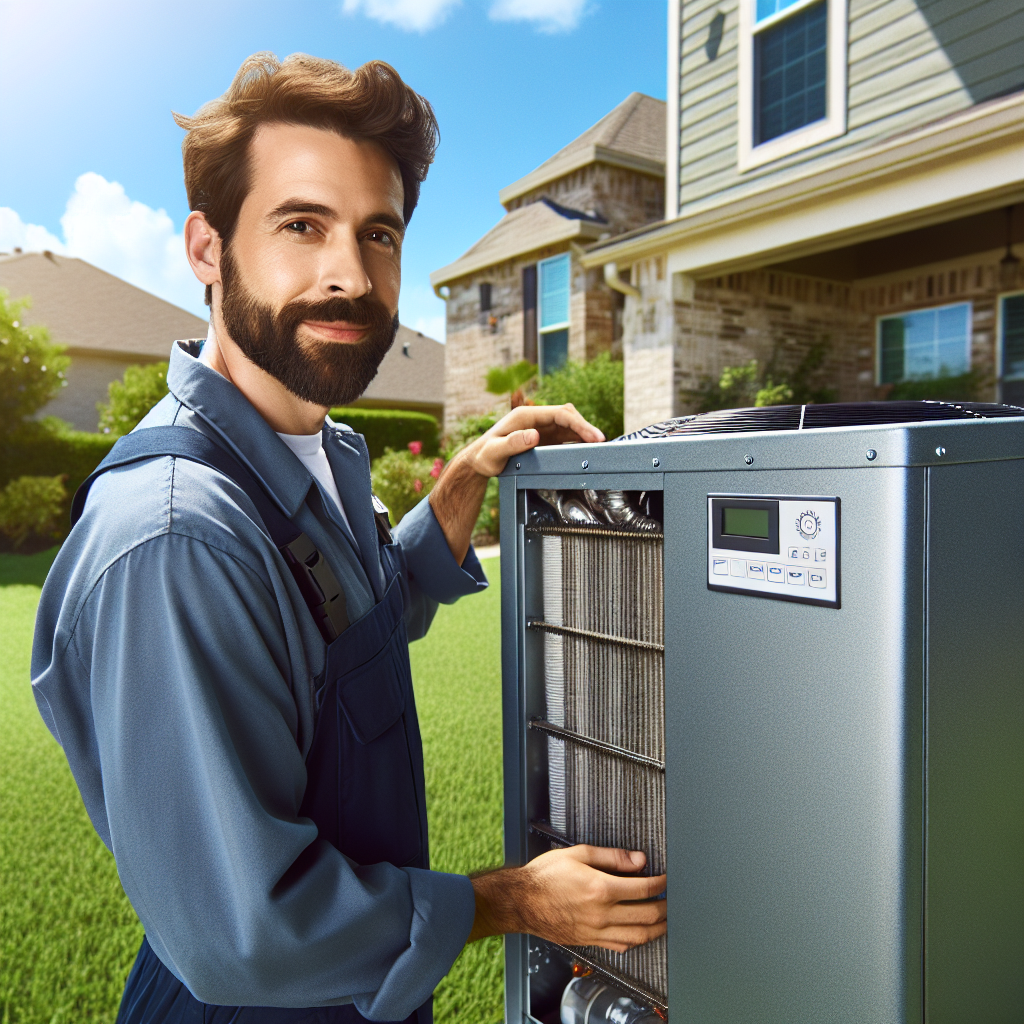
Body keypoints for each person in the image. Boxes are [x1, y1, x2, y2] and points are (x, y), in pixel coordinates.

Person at [30, 53, 667, 1024]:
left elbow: (348, 627)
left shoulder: (307, 451)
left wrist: (460, 482)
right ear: (207, 249)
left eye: (379, 232)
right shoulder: (178, 535)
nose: (351, 273)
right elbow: (246, 931)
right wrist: (517, 898)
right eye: (300, 224)